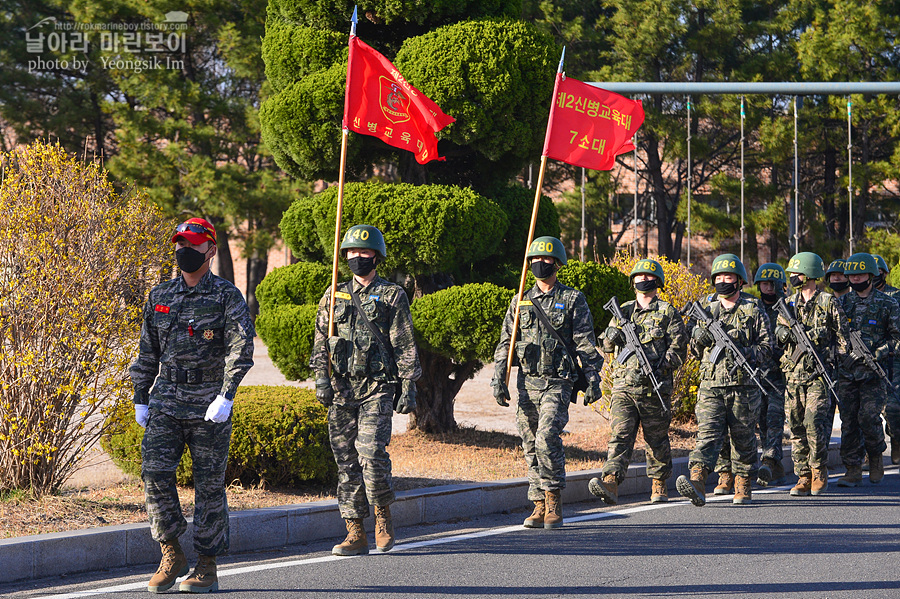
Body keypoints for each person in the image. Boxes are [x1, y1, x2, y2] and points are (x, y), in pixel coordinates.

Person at [130, 217, 255, 594]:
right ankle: (171, 552)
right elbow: (147, 351)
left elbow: (241, 349)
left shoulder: (226, 296)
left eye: (194, 244)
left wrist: (227, 395)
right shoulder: (160, 296)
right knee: (154, 473)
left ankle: (207, 565)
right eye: (180, 244)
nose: (185, 250)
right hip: (167, 399)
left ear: (210, 250)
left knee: (209, 486)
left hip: (208, 403)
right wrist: (140, 395)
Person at [310, 224, 420, 556]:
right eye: (353, 253)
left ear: (377, 256)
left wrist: (408, 385)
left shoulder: (392, 295)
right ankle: (355, 530)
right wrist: (321, 379)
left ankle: (383, 516)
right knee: (345, 460)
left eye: (365, 252)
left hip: (378, 387)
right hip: (343, 389)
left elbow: (404, 344)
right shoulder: (333, 294)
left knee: (371, 454)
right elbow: (319, 342)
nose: (358, 257)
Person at [492, 236, 603, 529]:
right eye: (535, 260)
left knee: (546, 437)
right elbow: (506, 343)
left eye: (546, 260)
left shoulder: (572, 299)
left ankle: (554, 498)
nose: (540, 264)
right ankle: (538, 503)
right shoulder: (520, 300)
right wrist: (498, 378)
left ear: (556, 263)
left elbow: (584, 342)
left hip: (558, 381)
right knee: (529, 443)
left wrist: (593, 378)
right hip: (527, 382)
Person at [588, 258, 686, 505]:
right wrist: (611, 335)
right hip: (624, 387)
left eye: (649, 277)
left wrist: (660, 364)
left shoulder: (667, 312)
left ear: (658, 282)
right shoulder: (623, 310)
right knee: (620, 434)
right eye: (639, 277)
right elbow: (607, 347)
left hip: (655, 387)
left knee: (656, 438)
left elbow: (679, 350)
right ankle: (611, 481)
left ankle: (659, 483)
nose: (644, 280)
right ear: (633, 282)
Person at [676, 253, 771, 506]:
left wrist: (745, 351)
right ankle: (697, 479)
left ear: (739, 281)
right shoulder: (705, 308)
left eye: (729, 277)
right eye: (719, 276)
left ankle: (743, 482)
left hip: (743, 386)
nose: (723, 281)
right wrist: (700, 336)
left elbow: (767, 347)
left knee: (743, 437)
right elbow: (692, 347)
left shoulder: (753, 308)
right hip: (711, 385)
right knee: (707, 434)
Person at [775, 252, 848, 497]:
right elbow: (778, 335)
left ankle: (819, 470)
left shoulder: (828, 302)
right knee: (795, 425)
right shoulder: (788, 303)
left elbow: (843, 340)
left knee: (814, 422)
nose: (793, 277)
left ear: (808, 274)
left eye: (796, 273)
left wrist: (828, 355)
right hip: (793, 376)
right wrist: (787, 334)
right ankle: (802, 475)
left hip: (819, 374)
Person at [835, 253, 900, 486]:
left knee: (869, 417)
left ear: (871, 275)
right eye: (852, 275)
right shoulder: (841, 303)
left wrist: (880, 352)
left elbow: (897, 339)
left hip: (874, 374)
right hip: (846, 372)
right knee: (849, 420)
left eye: (860, 274)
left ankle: (875, 456)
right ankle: (852, 468)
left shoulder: (888, 304)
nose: (855, 279)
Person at [751, 263, 789, 487]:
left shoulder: (787, 309)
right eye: (764, 283)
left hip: (779, 376)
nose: (768, 288)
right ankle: (777, 468)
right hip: (756, 375)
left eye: (772, 284)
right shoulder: (752, 309)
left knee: (775, 419)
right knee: (762, 422)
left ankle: (768, 460)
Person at [870, 254, 900, 464]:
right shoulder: (859, 297)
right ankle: (870, 454)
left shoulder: (895, 296)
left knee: (893, 408)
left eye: (878, 272)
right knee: (866, 411)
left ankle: (896, 439)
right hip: (865, 361)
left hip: (891, 360)